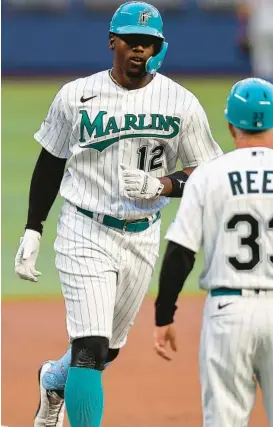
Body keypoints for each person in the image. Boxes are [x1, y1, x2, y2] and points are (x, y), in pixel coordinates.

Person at [14, 2, 222, 426]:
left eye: (149, 43)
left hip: (142, 236)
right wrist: (33, 229)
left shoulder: (181, 103)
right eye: (132, 41)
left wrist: (163, 185)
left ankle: (54, 379)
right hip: (84, 229)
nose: (140, 51)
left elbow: (208, 169)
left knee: (108, 350)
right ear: (113, 41)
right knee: (90, 347)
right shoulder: (76, 95)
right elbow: (51, 162)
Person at [154, 77, 273, 427]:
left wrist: (164, 315)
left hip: (227, 313)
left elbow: (180, 251)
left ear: (230, 126)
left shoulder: (208, 176)